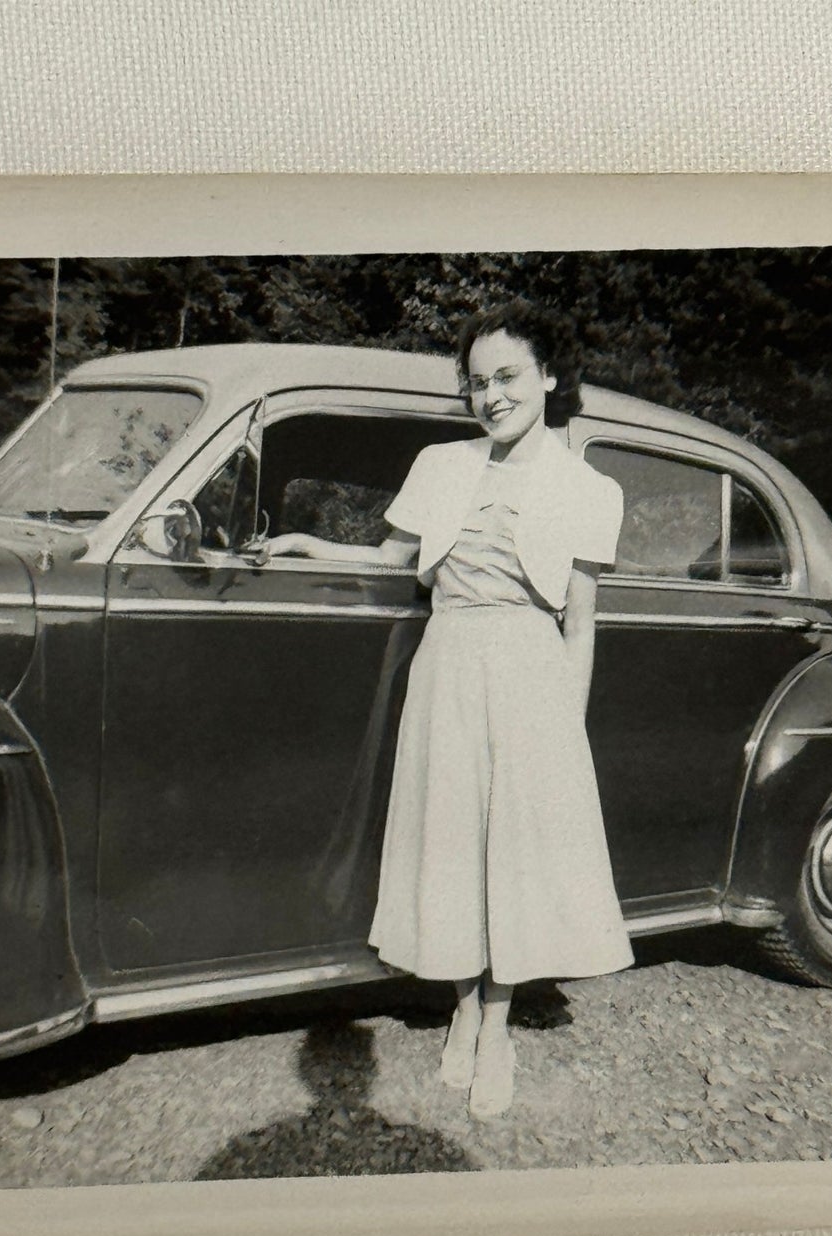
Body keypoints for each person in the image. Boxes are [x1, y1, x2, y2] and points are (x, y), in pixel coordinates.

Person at [260, 301, 634, 1118]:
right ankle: (463, 1002)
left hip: (529, 671)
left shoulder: (587, 487)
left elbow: (580, 619)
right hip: (448, 662)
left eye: (506, 377)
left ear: (548, 376)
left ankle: (494, 1026)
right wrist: (308, 545)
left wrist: (566, 728)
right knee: (454, 838)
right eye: (476, 383)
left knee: (512, 848)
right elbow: (394, 557)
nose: (490, 396)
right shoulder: (440, 464)